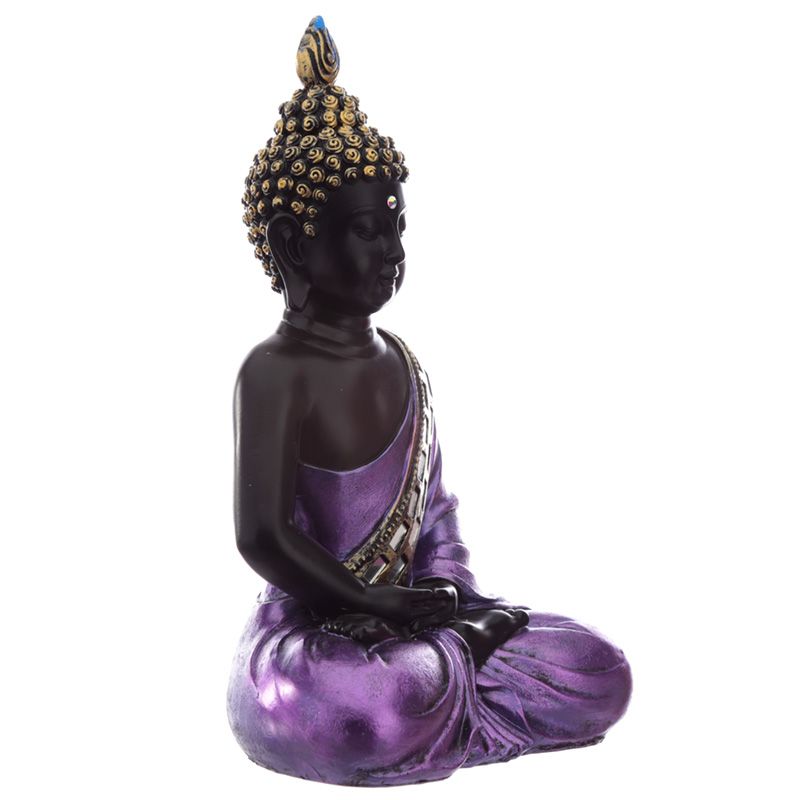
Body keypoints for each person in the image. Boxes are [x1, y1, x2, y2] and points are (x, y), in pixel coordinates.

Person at [227, 16, 632, 786]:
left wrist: (448, 597)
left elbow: (435, 517)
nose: (392, 251)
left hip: (412, 625)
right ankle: (447, 680)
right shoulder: (274, 373)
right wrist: (370, 605)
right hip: (313, 641)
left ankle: (443, 675)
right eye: (366, 231)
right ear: (292, 244)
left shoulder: (402, 364)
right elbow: (263, 537)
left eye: (398, 227)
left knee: (598, 669)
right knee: (360, 708)